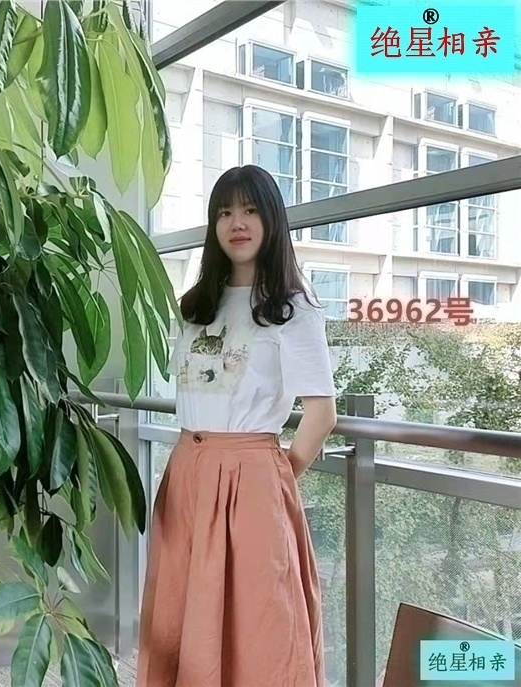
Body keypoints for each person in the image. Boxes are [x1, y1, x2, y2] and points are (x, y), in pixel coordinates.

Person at [136, 165, 337, 687]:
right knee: (181, 611)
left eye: (249, 210)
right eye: (224, 212)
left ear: (271, 220)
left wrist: (271, 479)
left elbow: (321, 415)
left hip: (253, 476)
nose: (237, 223)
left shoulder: (292, 308)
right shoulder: (195, 307)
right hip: (187, 471)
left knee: (259, 618)